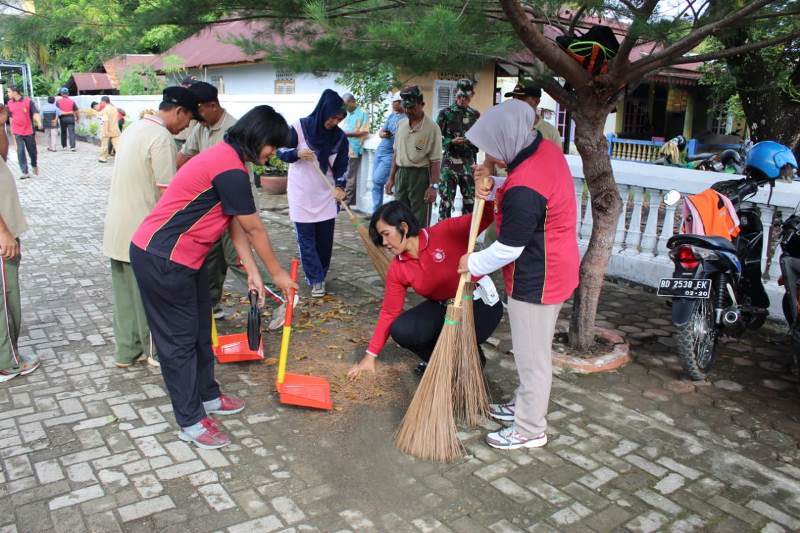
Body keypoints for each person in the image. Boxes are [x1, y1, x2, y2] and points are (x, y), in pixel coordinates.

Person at [130, 105, 296, 449]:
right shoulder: (228, 167)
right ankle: (189, 420)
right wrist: (277, 274)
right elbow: (254, 228)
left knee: (200, 332)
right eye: (273, 146)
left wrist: (252, 272)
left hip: (187, 259)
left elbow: (233, 219)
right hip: (161, 257)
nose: (273, 154)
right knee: (178, 343)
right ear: (259, 138)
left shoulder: (230, 161)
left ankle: (207, 395)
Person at [458, 99, 578, 450]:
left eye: (493, 147)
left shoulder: (526, 186)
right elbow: (528, 198)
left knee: (532, 357)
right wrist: (493, 181)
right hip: (553, 264)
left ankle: (529, 429)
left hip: (539, 277)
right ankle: (524, 406)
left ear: (507, 139)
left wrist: (472, 263)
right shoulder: (542, 148)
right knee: (531, 351)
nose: (489, 154)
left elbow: (509, 246)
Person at [348, 200, 502, 378]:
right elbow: (389, 313)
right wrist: (370, 356)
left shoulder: (445, 231)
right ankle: (440, 362)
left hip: (478, 303)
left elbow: (486, 216)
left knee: (455, 343)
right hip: (444, 307)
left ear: (403, 227)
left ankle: (470, 359)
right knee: (402, 329)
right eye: (381, 238)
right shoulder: (398, 268)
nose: (384, 242)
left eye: (386, 234)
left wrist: (486, 191)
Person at [102, 87, 198, 369]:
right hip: (142, 232)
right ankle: (156, 351)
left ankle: (127, 352)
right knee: (150, 294)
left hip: (117, 227)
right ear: (179, 112)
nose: (187, 127)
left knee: (124, 297)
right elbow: (169, 195)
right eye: (188, 120)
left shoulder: (134, 128)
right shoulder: (161, 138)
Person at [176, 81, 243, 318]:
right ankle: (212, 304)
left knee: (238, 258)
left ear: (213, 106)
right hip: (208, 207)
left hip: (232, 205)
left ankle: (275, 297)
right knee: (211, 257)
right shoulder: (201, 128)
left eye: (199, 112)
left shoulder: (233, 131)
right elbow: (184, 157)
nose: (196, 118)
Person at [277, 89, 348, 298]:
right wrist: (296, 153)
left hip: (325, 193)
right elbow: (280, 151)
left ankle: (321, 273)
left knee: (324, 241)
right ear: (323, 110)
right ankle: (315, 279)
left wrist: (340, 187)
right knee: (306, 239)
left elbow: (342, 166)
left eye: (339, 119)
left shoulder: (339, 138)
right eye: (332, 117)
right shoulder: (299, 128)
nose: (334, 122)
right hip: (301, 193)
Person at [0, 104, 40, 382]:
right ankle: (7, 363)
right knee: (5, 301)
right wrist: (3, 232)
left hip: (7, 230)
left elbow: (2, 154)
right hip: (2, 237)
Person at [385, 86, 442, 227]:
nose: (409, 112)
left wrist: (433, 186)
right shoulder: (401, 124)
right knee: (400, 215)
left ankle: (419, 247)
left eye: (413, 108)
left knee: (419, 218)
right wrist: (391, 178)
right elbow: (396, 153)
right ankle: (402, 246)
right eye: (406, 108)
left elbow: (435, 161)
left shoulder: (432, 128)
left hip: (420, 176)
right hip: (401, 175)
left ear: (422, 105)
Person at [436, 79, 480, 220]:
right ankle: (442, 237)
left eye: (466, 97)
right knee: (446, 202)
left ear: (472, 95)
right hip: (449, 164)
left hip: (468, 163)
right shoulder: (445, 113)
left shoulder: (475, 115)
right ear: (455, 93)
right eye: (460, 96)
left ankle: (466, 238)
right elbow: (437, 139)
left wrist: (475, 164)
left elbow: (480, 140)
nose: (462, 99)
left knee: (470, 203)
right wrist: (451, 141)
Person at [371, 92, 404, 212]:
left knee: (378, 179)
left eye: (394, 101)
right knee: (375, 184)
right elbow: (382, 131)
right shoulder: (392, 116)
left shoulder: (406, 118)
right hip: (380, 151)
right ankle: (376, 212)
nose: (392, 104)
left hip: (390, 154)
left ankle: (391, 207)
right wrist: (382, 134)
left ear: (400, 102)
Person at [341, 93, 370, 206]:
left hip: (354, 148)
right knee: (343, 173)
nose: (345, 108)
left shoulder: (362, 113)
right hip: (345, 147)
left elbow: (365, 131)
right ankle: (344, 198)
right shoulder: (348, 114)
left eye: (346, 105)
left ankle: (347, 201)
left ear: (353, 101)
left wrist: (347, 134)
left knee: (350, 175)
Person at [6, 86, 39, 179]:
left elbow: (35, 113)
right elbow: (11, 117)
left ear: (15, 92)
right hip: (17, 131)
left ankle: (34, 164)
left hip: (28, 131)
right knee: (20, 151)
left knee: (32, 151)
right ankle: (24, 172)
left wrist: (39, 122)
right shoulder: (9, 103)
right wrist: (12, 130)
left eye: (9, 92)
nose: (7, 94)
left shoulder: (28, 101)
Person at [97, 96, 122, 163]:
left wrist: (105, 131)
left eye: (101, 102)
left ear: (104, 102)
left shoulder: (106, 110)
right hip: (115, 129)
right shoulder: (114, 109)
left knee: (104, 145)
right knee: (117, 145)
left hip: (107, 129)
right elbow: (99, 114)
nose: (101, 103)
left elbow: (105, 121)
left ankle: (103, 158)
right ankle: (122, 157)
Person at [56, 87, 78, 151]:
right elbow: (76, 110)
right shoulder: (72, 101)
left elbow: (57, 111)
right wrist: (77, 117)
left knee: (63, 132)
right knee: (71, 132)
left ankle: (64, 146)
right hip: (70, 118)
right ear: (68, 93)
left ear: (61, 94)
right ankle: (72, 147)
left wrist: (56, 119)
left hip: (62, 118)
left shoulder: (58, 102)